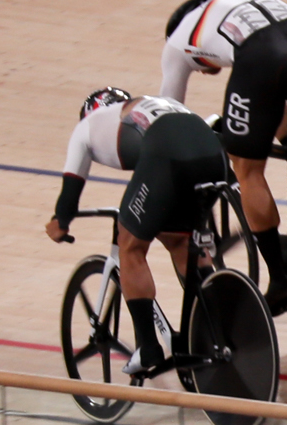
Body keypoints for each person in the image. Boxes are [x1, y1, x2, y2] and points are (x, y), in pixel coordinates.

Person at [43, 88, 228, 376]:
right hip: (214, 155)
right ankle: (216, 324)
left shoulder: (86, 126)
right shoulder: (156, 102)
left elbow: (70, 192)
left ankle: (148, 346)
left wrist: (60, 224)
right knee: (180, 240)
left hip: (166, 153)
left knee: (130, 244)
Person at [160, 0, 287, 314]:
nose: (208, 72)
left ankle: (279, 279)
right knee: (275, 97)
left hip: (262, 57)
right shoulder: (233, 0)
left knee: (246, 169)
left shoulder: (177, 42)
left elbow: (169, 116)